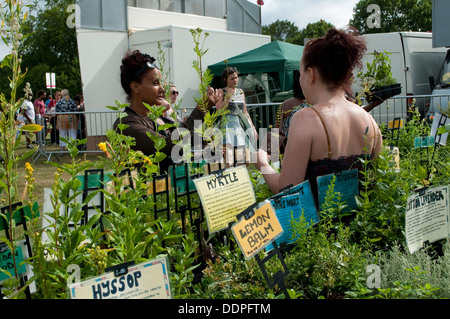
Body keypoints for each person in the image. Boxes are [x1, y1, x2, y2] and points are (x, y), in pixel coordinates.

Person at [254, 28, 383, 206]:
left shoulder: (306, 118)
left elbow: (287, 190)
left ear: (311, 74)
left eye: (301, 73)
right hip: (362, 230)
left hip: (319, 232)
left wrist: (262, 164)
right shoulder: (369, 120)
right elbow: (376, 182)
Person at [113, 50, 219, 173]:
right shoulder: (126, 124)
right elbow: (170, 145)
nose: (162, 89)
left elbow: (188, 140)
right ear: (135, 87)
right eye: (155, 83)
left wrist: (208, 140)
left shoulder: (158, 118)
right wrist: (201, 109)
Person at [215, 67, 258, 165]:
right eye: (232, 78)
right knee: (229, 160)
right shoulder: (221, 91)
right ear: (226, 80)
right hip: (226, 126)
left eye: (236, 77)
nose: (235, 80)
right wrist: (228, 98)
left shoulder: (240, 91)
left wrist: (253, 128)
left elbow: (245, 112)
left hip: (239, 126)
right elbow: (218, 110)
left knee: (244, 160)